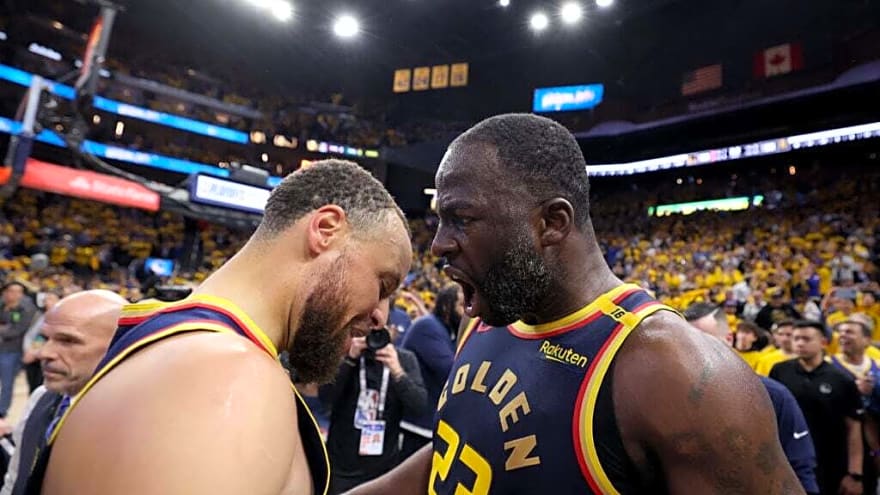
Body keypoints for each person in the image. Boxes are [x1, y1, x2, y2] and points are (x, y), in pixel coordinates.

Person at [349, 114, 802, 494]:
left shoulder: (676, 372)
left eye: (462, 219)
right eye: (441, 221)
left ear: (551, 222)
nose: (440, 245)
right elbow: (459, 449)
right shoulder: (490, 317)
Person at [37, 160, 413, 495]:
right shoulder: (230, 375)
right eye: (382, 284)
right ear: (326, 230)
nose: (381, 314)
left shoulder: (184, 347)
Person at [683, 303, 818, 494]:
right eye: (684, 346)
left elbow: (800, 466)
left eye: (704, 341)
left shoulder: (772, 395)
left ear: (728, 339)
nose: (694, 352)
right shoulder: (669, 401)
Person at [1, 290, 126, 495]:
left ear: (117, 346)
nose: (44, 353)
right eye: (45, 338)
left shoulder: (136, 424)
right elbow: (15, 479)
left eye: (68, 341)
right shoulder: (41, 398)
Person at [320, 301, 426, 493]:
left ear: (392, 332)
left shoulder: (404, 359)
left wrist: (398, 372)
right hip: (341, 465)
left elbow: (419, 406)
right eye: (368, 332)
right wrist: (350, 359)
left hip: (383, 468)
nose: (373, 337)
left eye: (381, 331)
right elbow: (325, 396)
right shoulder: (347, 355)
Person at [770, 321, 864, 495]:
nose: (799, 343)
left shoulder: (841, 378)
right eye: (796, 338)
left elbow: (854, 428)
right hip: (791, 461)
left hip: (831, 463)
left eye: (806, 338)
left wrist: (855, 473)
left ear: (823, 342)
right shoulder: (779, 372)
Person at [399, 285, 462, 459]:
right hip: (414, 425)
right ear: (446, 306)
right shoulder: (428, 327)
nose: (466, 313)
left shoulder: (447, 331)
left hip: (427, 424)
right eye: (461, 305)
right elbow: (452, 371)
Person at [0, 283, 36, 419]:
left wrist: (4, 329)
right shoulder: (2, 305)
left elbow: (18, 330)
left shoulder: (26, 309)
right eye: (11, 291)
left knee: (7, 382)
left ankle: (2, 411)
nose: (14, 294)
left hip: (12, 350)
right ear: (5, 292)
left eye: (18, 292)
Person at [20, 292, 61, 393]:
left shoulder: (61, 319)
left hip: (46, 356)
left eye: (51, 299)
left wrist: (36, 352)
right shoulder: (38, 315)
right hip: (31, 354)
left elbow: (49, 337)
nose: (47, 302)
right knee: (32, 387)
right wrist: (28, 350)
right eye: (46, 299)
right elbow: (30, 334)